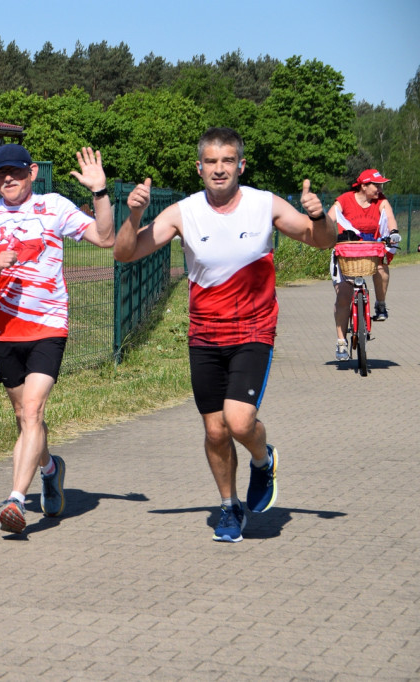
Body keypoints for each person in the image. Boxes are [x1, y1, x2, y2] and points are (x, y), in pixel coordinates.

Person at [114, 127, 336, 543]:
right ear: (199, 168)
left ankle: (262, 459)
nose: (220, 169)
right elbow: (125, 252)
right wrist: (134, 216)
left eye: (228, 161)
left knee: (238, 420)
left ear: (241, 165)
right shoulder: (183, 212)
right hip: (204, 334)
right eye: (211, 162)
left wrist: (319, 215)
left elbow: (321, 241)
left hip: (254, 328)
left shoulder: (263, 204)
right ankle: (229, 507)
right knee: (215, 430)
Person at [0, 144, 115, 534]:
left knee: (32, 413)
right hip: (5, 331)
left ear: (31, 173)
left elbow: (106, 237)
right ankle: (49, 468)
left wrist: (99, 193)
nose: (8, 179)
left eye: (15, 171)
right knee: (22, 418)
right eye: (0, 174)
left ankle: (15, 500)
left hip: (48, 326)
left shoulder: (55, 206)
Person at [329, 169, 400, 361]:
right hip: (346, 251)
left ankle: (381, 304)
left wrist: (393, 232)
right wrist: (325, 233)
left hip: (371, 250)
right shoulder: (344, 200)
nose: (379, 188)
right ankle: (342, 342)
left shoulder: (381, 201)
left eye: (380, 185)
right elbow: (330, 219)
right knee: (344, 296)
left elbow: (390, 217)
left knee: (382, 268)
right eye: (375, 185)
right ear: (363, 185)